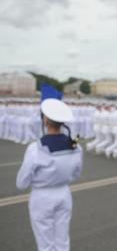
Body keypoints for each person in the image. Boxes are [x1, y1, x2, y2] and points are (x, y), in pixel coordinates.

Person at [16, 98, 83, 251]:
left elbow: (21, 183)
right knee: (62, 240)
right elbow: (76, 174)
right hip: (64, 193)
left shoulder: (36, 148)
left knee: (45, 243)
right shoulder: (76, 147)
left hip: (42, 197)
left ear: (45, 121)